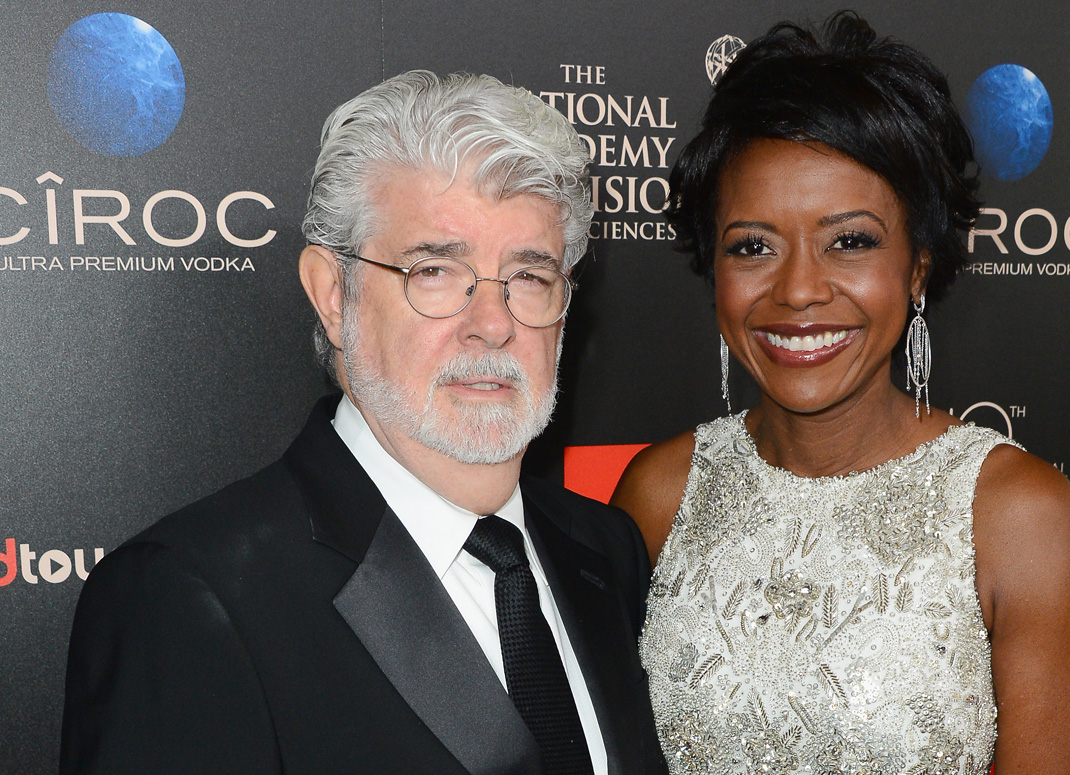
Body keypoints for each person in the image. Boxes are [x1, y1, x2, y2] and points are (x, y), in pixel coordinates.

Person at [61, 70, 666, 775]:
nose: (494, 323)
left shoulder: (607, 551)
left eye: (529, 277)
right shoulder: (190, 594)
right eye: (435, 271)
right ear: (332, 294)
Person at [612, 12, 1070, 775]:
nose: (798, 289)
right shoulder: (659, 493)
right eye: (753, 246)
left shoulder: (1018, 515)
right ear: (715, 271)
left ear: (918, 266)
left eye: (849, 241)